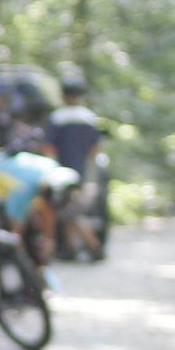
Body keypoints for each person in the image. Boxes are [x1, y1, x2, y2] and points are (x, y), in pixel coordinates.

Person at [42, 77, 109, 261]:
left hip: (63, 172)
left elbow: (49, 148)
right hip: (84, 173)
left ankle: (93, 246)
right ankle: (71, 249)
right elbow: (95, 148)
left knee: (71, 211)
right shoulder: (88, 117)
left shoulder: (58, 117)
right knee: (70, 209)